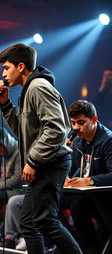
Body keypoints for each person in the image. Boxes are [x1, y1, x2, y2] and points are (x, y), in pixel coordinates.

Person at [0, 43, 82, 254]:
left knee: (45, 221)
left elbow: (56, 129)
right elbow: (22, 132)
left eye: (6, 67)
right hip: (44, 162)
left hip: (50, 162)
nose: (4, 74)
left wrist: (32, 161)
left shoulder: (38, 87)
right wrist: (5, 104)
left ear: (21, 66)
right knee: (30, 224)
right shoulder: (28, 90)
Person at [61, 100, 112, 254]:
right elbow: (74, 169)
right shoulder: (77, 141)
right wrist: (67, 177)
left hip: (105, 196)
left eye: (81, 123)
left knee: (78, 206)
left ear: (94, 120)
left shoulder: (108, 140)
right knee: (49, 200)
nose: (76, 128)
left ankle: (90, 248)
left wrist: (90, 180)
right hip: (87, 194)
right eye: (73, 123)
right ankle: (68, 244)